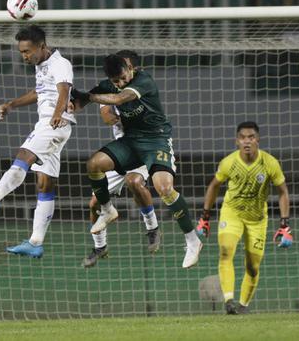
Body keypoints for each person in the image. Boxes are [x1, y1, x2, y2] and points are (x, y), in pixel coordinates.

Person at [73, 54, 203, 269]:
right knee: (94, 164)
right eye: (116, 81)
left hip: (156, 141)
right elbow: (83, 103)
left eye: (123, 77)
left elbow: (118, 99)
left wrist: (90, 96)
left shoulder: (144, 80)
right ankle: (107, 215)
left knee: (163, 188)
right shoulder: (108, 85)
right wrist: (70, 102)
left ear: (130, 68)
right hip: (129, 143)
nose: (121, 83)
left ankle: (191, 240)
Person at [0, 25, 74, 258]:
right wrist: (12, 104)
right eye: (22, 52)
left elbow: (64, 90)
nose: (25, 56)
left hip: (53, 123)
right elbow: (39, 92)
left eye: (28, 51)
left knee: (24, 155)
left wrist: (58, 113)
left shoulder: (60, 63)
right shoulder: (42, 66)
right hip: (53, 124)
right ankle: (35, 242)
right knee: (45, 184)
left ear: (42, 46)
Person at [196, 121, 292, 315]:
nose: (247, 141)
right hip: (232, 214)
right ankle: (229, 300)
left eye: (251, 137)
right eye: (243, 138)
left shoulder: (270, 163)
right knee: (225, 251)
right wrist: (205, 216)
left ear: (258, 140)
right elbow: (214, 186)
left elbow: (283, 192)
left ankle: (243, 305)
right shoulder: (229, 163)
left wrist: (284, 224)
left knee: (253, 266)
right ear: (237, 141)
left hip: (257, 219)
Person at [82, 50, 161, 268]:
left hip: (144, 148)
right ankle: (100, 247)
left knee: (135, 182)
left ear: (132, 68)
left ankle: (153, 228)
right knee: (94, 203)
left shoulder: (142, 85)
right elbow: (107, 115)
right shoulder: (110, 87)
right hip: (121, 151)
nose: (121, 76)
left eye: (125, 68)